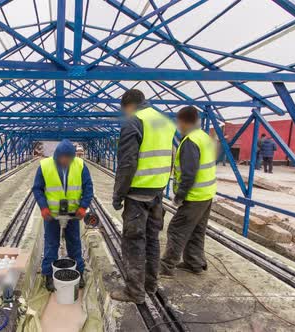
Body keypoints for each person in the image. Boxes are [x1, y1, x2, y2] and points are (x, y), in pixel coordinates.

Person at [109, 89, 176, 304]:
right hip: (157, 192)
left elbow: (127, 163)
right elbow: (170, 156)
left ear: (129, 105)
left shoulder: (135, 122)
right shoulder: (164, 122)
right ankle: (150, 285)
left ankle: (134, 292)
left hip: (138, 194)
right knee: (152, 240)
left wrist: (118, 195)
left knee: (133, 242)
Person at [161, 106, 217, 277]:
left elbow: (189, 173)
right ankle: (195, 263)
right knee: (197, 230)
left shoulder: (190, 141)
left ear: (184, 122)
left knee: (176, 229)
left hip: (195, 195)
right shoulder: (204, 137)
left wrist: (179, 196)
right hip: (206, 194)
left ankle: (166, 266)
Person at [32, 139, 93, 292]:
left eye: (68, 157)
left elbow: (88, 187)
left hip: (73, 213)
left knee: (74, 243)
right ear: (57, 155)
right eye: (62, 157)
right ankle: (48, 275)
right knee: (51, 244)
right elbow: (37, 189)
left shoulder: (80, 165)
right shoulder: (45, 166)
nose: (65, 160)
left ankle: (78, 272)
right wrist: (44, 207)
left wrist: (83, 207)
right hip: (52, 214)